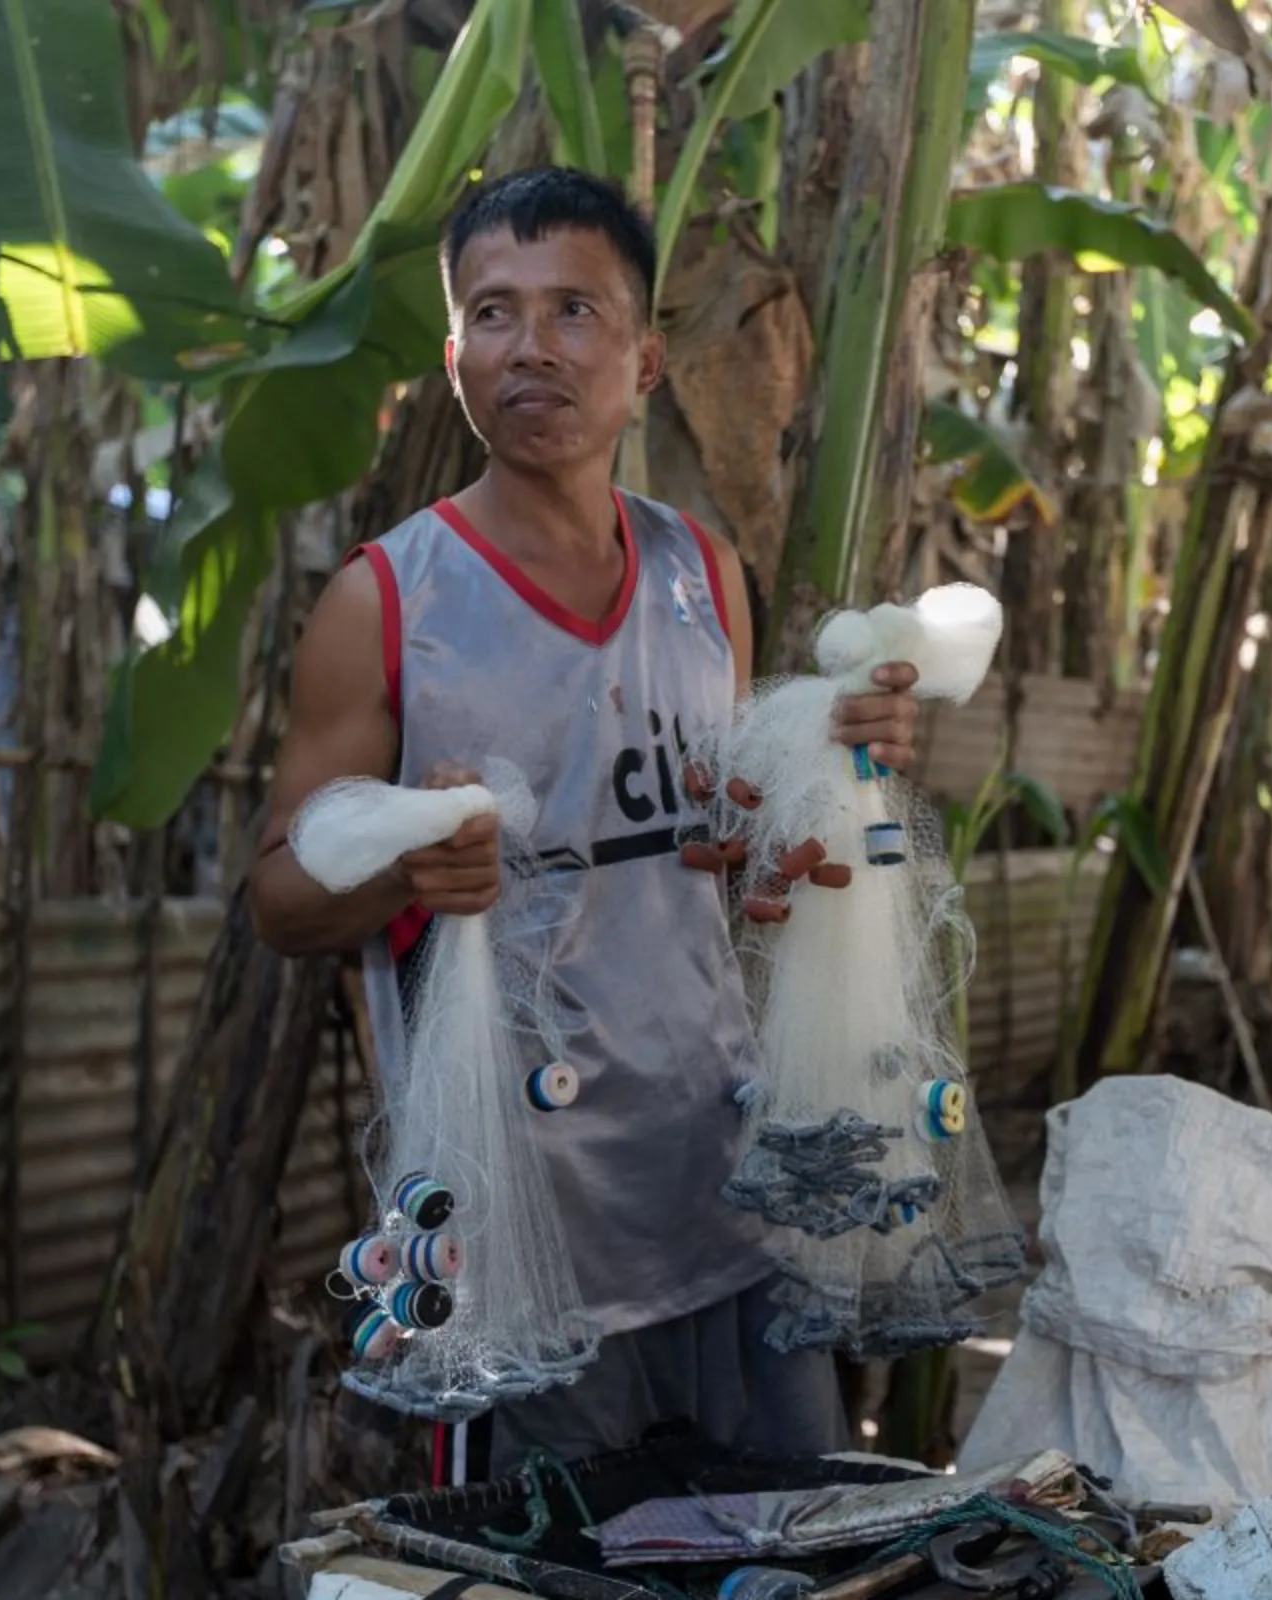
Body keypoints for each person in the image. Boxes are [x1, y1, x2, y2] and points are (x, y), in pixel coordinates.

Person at [248, 166, 922, 1469]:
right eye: (493, 315)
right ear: (453, 359)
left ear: (646, 358)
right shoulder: (388, 602)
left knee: (784, 1545)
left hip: (727, 1199)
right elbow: (279, 900)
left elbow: (714, 847)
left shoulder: (701, 573)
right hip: (524, 1242)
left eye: (573, 311)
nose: (530, 347)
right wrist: (405, 865)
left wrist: (831, 770)